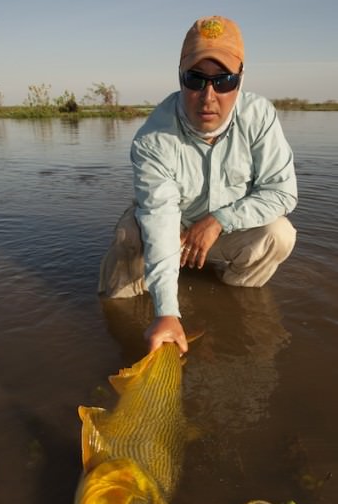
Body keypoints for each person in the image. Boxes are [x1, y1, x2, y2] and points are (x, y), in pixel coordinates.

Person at [99, 15, 297, 355]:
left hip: (222, 234)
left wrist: (219, 220)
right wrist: (166, 314)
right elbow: (160, 219)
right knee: (130, 235)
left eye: (223, 81)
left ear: (240, 80)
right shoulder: (152, 139)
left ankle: (234, 293)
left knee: (280, 234)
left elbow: (282, 192)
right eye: (196, 79)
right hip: (171, 231)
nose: (208, 96)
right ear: (180, 77)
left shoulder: (260, 116)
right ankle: (119, 306)